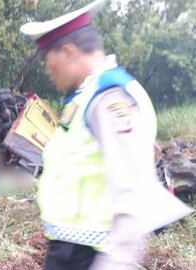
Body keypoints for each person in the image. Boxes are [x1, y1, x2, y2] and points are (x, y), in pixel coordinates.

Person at [19, 1, 193, 269]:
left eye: (47, 61)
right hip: (71, 248)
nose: (47, 70)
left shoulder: (110, 99)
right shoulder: (85, 96)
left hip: (91, 255)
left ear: (68, 52)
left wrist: (117, 263)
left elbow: (132, 189)